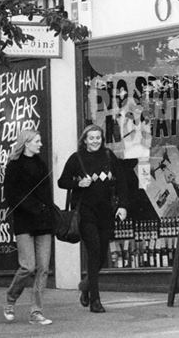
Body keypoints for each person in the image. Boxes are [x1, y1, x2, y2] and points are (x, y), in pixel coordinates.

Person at [58, 123, 129, 313]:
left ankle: (86, 286)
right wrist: (78, 182)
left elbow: (122, 181)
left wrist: (122, 206)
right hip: (85, 213)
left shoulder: (108, 156)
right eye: (91, 138)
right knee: (94, 251)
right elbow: (62, 181)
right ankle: (95, 300)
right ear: (85, 140)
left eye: (98, 137)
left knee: (102, 255)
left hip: (106, 212)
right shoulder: (76, 158)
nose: (95, 141)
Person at [3, 128, 54, 326]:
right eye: (37, 141)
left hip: (44, 222)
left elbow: (47, 193)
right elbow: (10, 195)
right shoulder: (14, 166)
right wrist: (33, 207)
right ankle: (11, 298)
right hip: (25, 220)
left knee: (43, 268)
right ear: (27, 143)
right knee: (28, 266)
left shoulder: (41, 164)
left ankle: (36, 311)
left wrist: (48, 211)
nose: (40, 144)